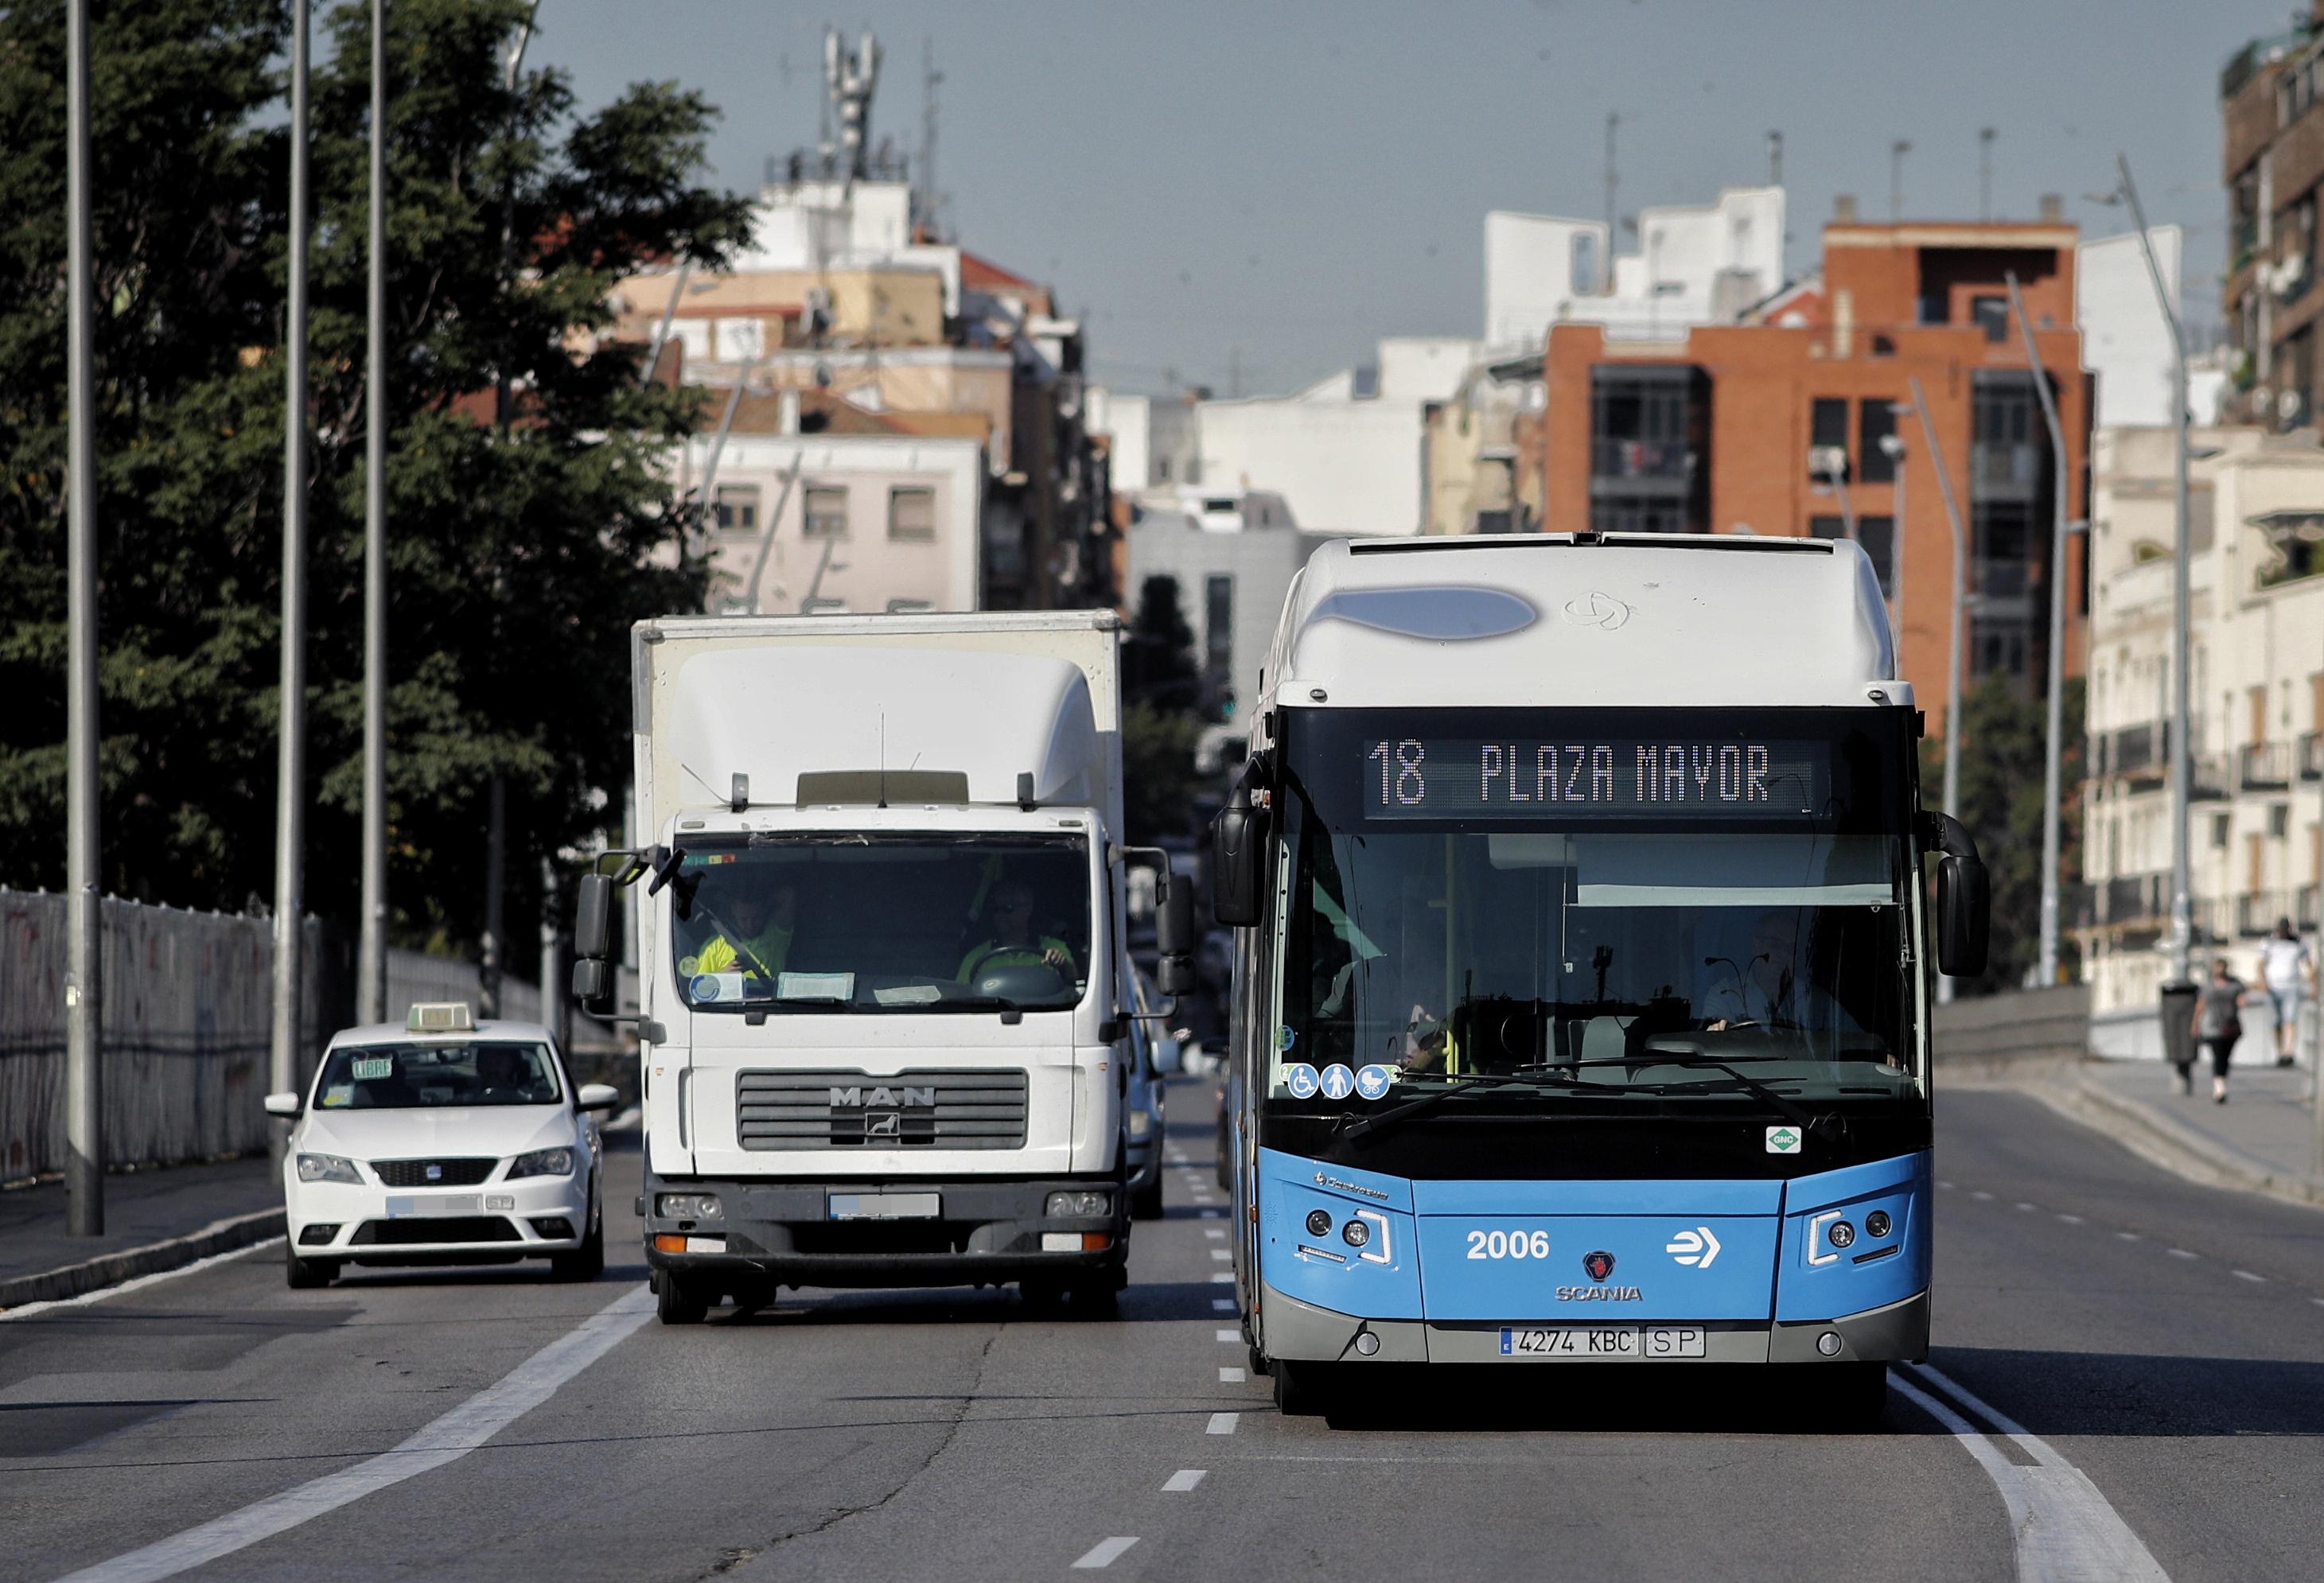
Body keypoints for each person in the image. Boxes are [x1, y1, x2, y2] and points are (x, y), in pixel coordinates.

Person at [1701, 910, 1837, 1030]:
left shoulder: (1816, 1001)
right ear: (1756, 944)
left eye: (1790, 949)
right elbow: (1715, 1046)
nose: (1783, 954)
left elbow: (1850, 1040)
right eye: (1775, 945)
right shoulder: (1725, 996)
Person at [957, 880, 1075, 983]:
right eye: (996, 909)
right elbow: (962, 997)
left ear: (1028, 909)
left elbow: (1075, 982)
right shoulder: (977, 957)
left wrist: (1063, 965)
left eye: (1008, 908)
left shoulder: (1053, 948)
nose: (1000, 915)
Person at [687, 881, 797, 982]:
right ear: (734, 911)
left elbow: (788, 895)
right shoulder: (712, 947)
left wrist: (765, 900)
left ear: (764, 911)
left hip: (772, 1002)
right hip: (728, 1003)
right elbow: (699, 990)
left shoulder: (776, 935)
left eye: (756, 918)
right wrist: (722, 978)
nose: (750, 925)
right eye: (744, 919)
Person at [2188, 955, 2247, 1104]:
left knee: (2225, 1058)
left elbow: (2242, 1000)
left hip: (2230, 1026)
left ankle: (2221, 1084)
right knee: (2218, 1056)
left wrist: (2242, 1002)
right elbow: (2200, 1005)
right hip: (2212, 1027)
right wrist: (2195, 1024)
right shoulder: (2208, 987)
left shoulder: (2235, 985)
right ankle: (2219, 1088)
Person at [2256, 917, 2311, 1068]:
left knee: (2290, 1020)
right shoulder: (2269, 942)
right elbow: (2260, 964)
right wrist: (2263, 982)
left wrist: (2314, 984)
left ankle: (2289, 1052)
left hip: (2292, 986)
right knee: (2276, 1022)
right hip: (2273, 986)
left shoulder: (2299, 942)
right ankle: (2280, 1052)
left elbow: (2308, 964)